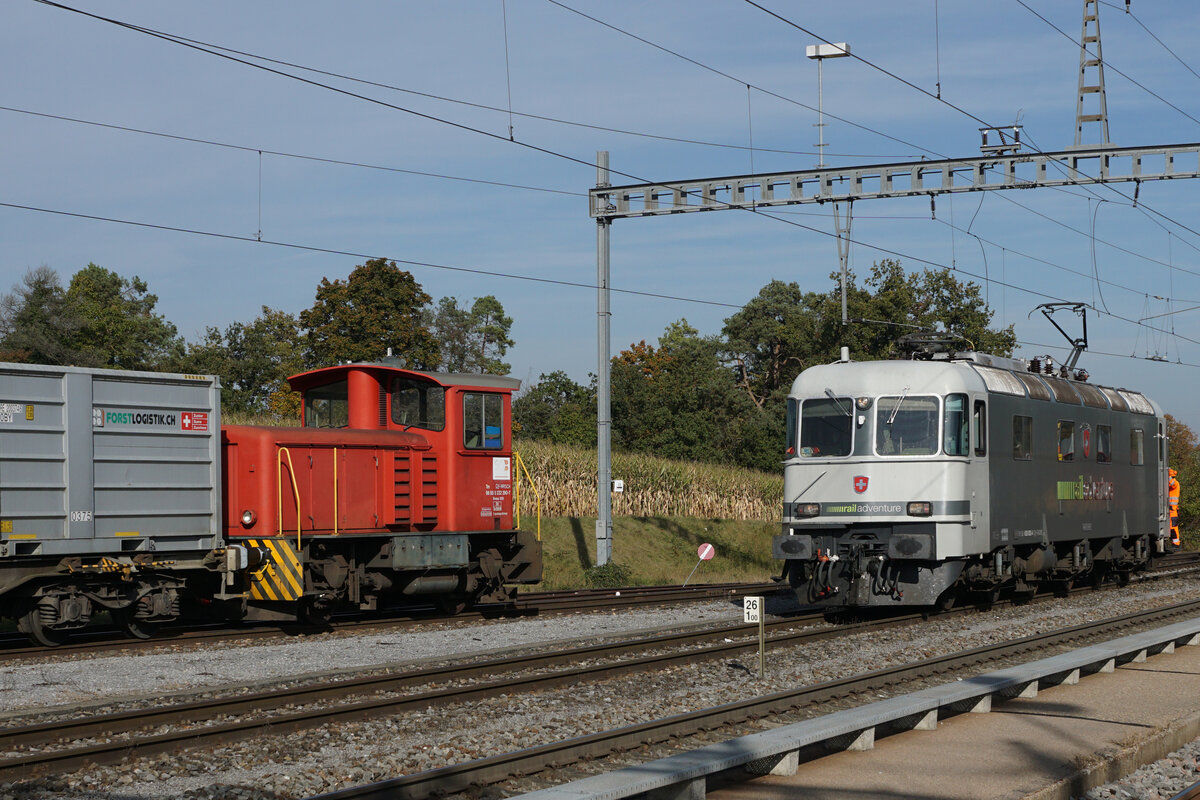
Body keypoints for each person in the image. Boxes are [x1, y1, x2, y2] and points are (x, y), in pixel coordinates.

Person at [1168, 468, 1181, 549]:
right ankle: (1175, 543)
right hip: (1171, 509)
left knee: (1173, 527)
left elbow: (1171, 483)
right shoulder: (1173, 482)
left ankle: (1176, 543)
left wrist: (1167, 476)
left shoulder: (1175, 482)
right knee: (1172, 527)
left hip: (1172, 510)